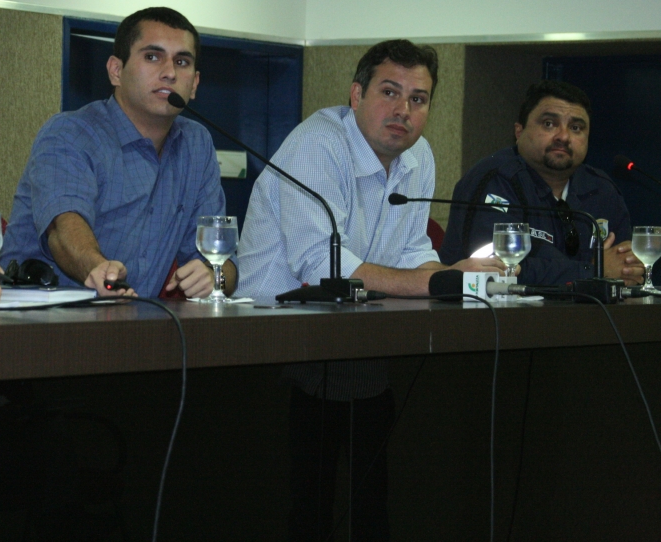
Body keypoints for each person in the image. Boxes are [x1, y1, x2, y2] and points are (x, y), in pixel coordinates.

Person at [236, 40, 505, 541]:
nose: (403, 110)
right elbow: (323, 267)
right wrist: (442, 280)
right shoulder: (319, 144)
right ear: (356, 94)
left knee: (374, 498)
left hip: (358, 343)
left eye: (419, 99)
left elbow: (410, 251)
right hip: (270, 352)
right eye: (389, 91)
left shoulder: (417, 155)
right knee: (306, 507)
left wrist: (464, 280)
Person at [0, 6, 236, 298]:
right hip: (40, 321)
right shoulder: (71, 133)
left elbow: (222, 263)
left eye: (182, 61)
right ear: (116, 71)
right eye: (152, 57)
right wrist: (98, 269)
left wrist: (216, 278)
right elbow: (63, 230)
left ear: (195, 84)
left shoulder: (196, 144)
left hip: (132, 322)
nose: (170, 73)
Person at [439, 80, 643, 286]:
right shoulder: (494, 179)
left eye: (576, 127)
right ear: (519, 132)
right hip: (492, 315)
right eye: (549, 124)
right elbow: (497, 268)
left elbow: (624, 268)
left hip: (587, 316)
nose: (563, 136)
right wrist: (593, 271)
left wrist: (625, 270)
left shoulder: (601, 190)